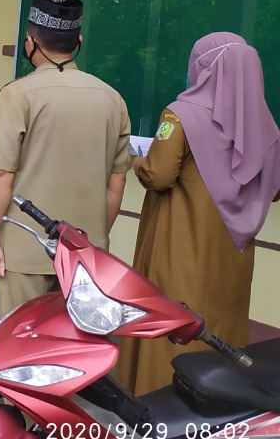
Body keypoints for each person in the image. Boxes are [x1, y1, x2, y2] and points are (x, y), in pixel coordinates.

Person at [116, 33, 280, 395]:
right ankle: (221, 400)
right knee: (222, 327)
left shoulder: (180, 115)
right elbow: (274, 188)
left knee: (175, 320)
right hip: (233, 252)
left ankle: (163, 399)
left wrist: (139, 161)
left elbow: (159, 176)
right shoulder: (265, 128)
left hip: (181, 243)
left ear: (206, 68)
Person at [0, 0, 131, 318]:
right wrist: (93, 239)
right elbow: (116, 181)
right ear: (78, 42)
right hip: (84, 254)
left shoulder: (17, 95)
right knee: (72, 341)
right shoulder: (112, 99)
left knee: (20, 337)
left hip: (24, 248)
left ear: (31, 42)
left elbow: (1, 174)